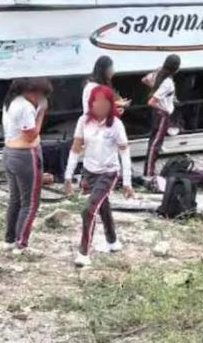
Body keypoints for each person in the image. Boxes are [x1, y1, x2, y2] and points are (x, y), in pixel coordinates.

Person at [64, 85, 136, 268]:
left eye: (104, 102)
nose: (100, 105)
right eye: (96, 101)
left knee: (88, 210)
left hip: (109, 172)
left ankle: (84, 253)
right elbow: (75, 149)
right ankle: (113, 241)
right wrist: (68, 176)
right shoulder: (83, 121)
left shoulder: (116, 125)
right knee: (102, 204)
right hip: (89, 171)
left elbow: (124, 153)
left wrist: (127, 181)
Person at [2, 77, 52, 254]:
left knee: (15, 199)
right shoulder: (25, 107)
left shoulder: (11, 102)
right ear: (34, 92)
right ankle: (21, 243)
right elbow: (31, 135)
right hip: (25, 155)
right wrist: (41, 112)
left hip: (9, 152)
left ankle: (9, 240)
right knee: (30, 202)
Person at [144, 54, 181, 186]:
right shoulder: (168, 82)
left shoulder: (158, 73)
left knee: (153, 142)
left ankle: (149, 171)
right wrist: (164, 108)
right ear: (176, 68)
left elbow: (145, 79)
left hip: (156, 114)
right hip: (162, 115)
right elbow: (152, 101)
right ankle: (149, 174)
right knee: (155, 145)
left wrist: (154, 88)